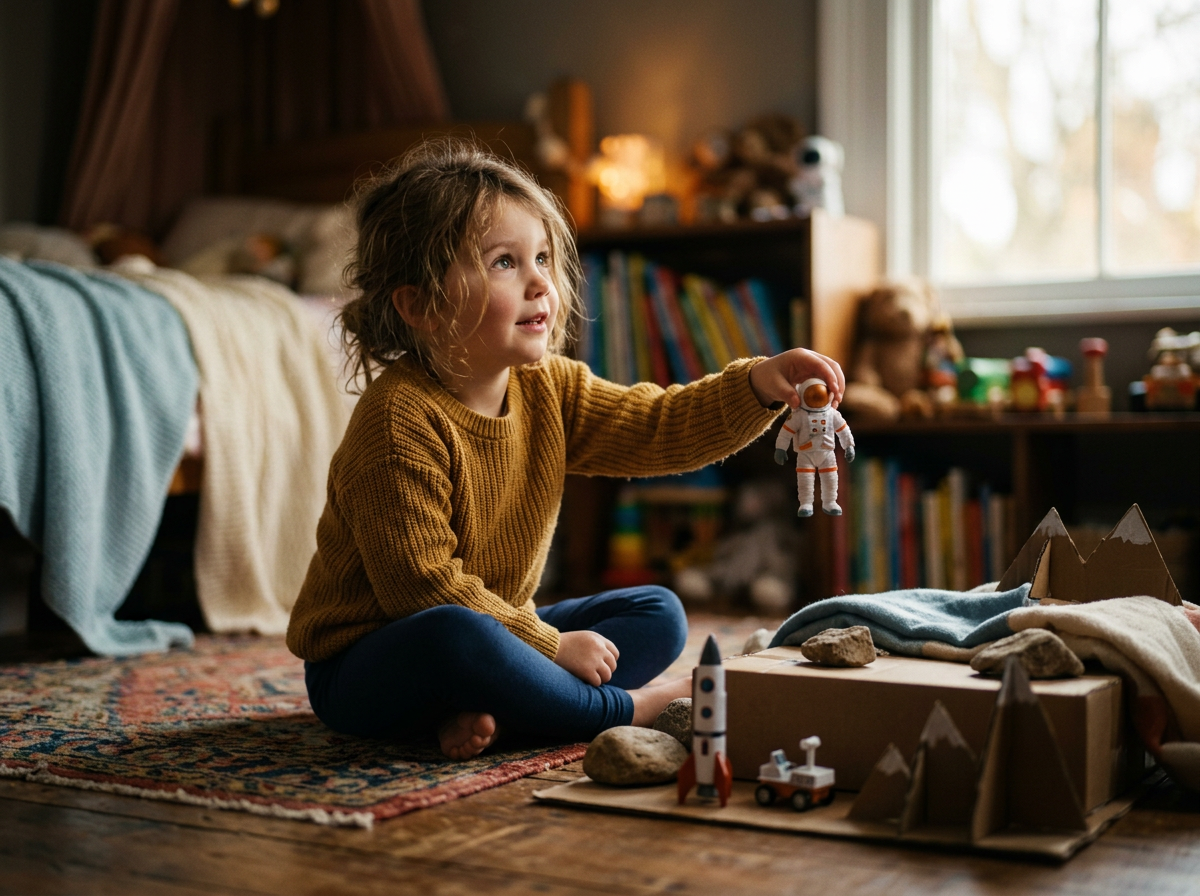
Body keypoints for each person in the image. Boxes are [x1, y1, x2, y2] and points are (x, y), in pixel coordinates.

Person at [285, 139, 846, 760]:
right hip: (370, 663)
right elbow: (422, 589)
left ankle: (507, 710)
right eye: (504, 262)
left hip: (497, 628)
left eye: (543, 258)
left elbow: (657, 427)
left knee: (657, 610)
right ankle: (630, 707)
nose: (540, 284)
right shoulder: (398, 420)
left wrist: (757, 385)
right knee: (456, 633)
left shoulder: (549, 386)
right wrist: (552, 646)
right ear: (420, 306)